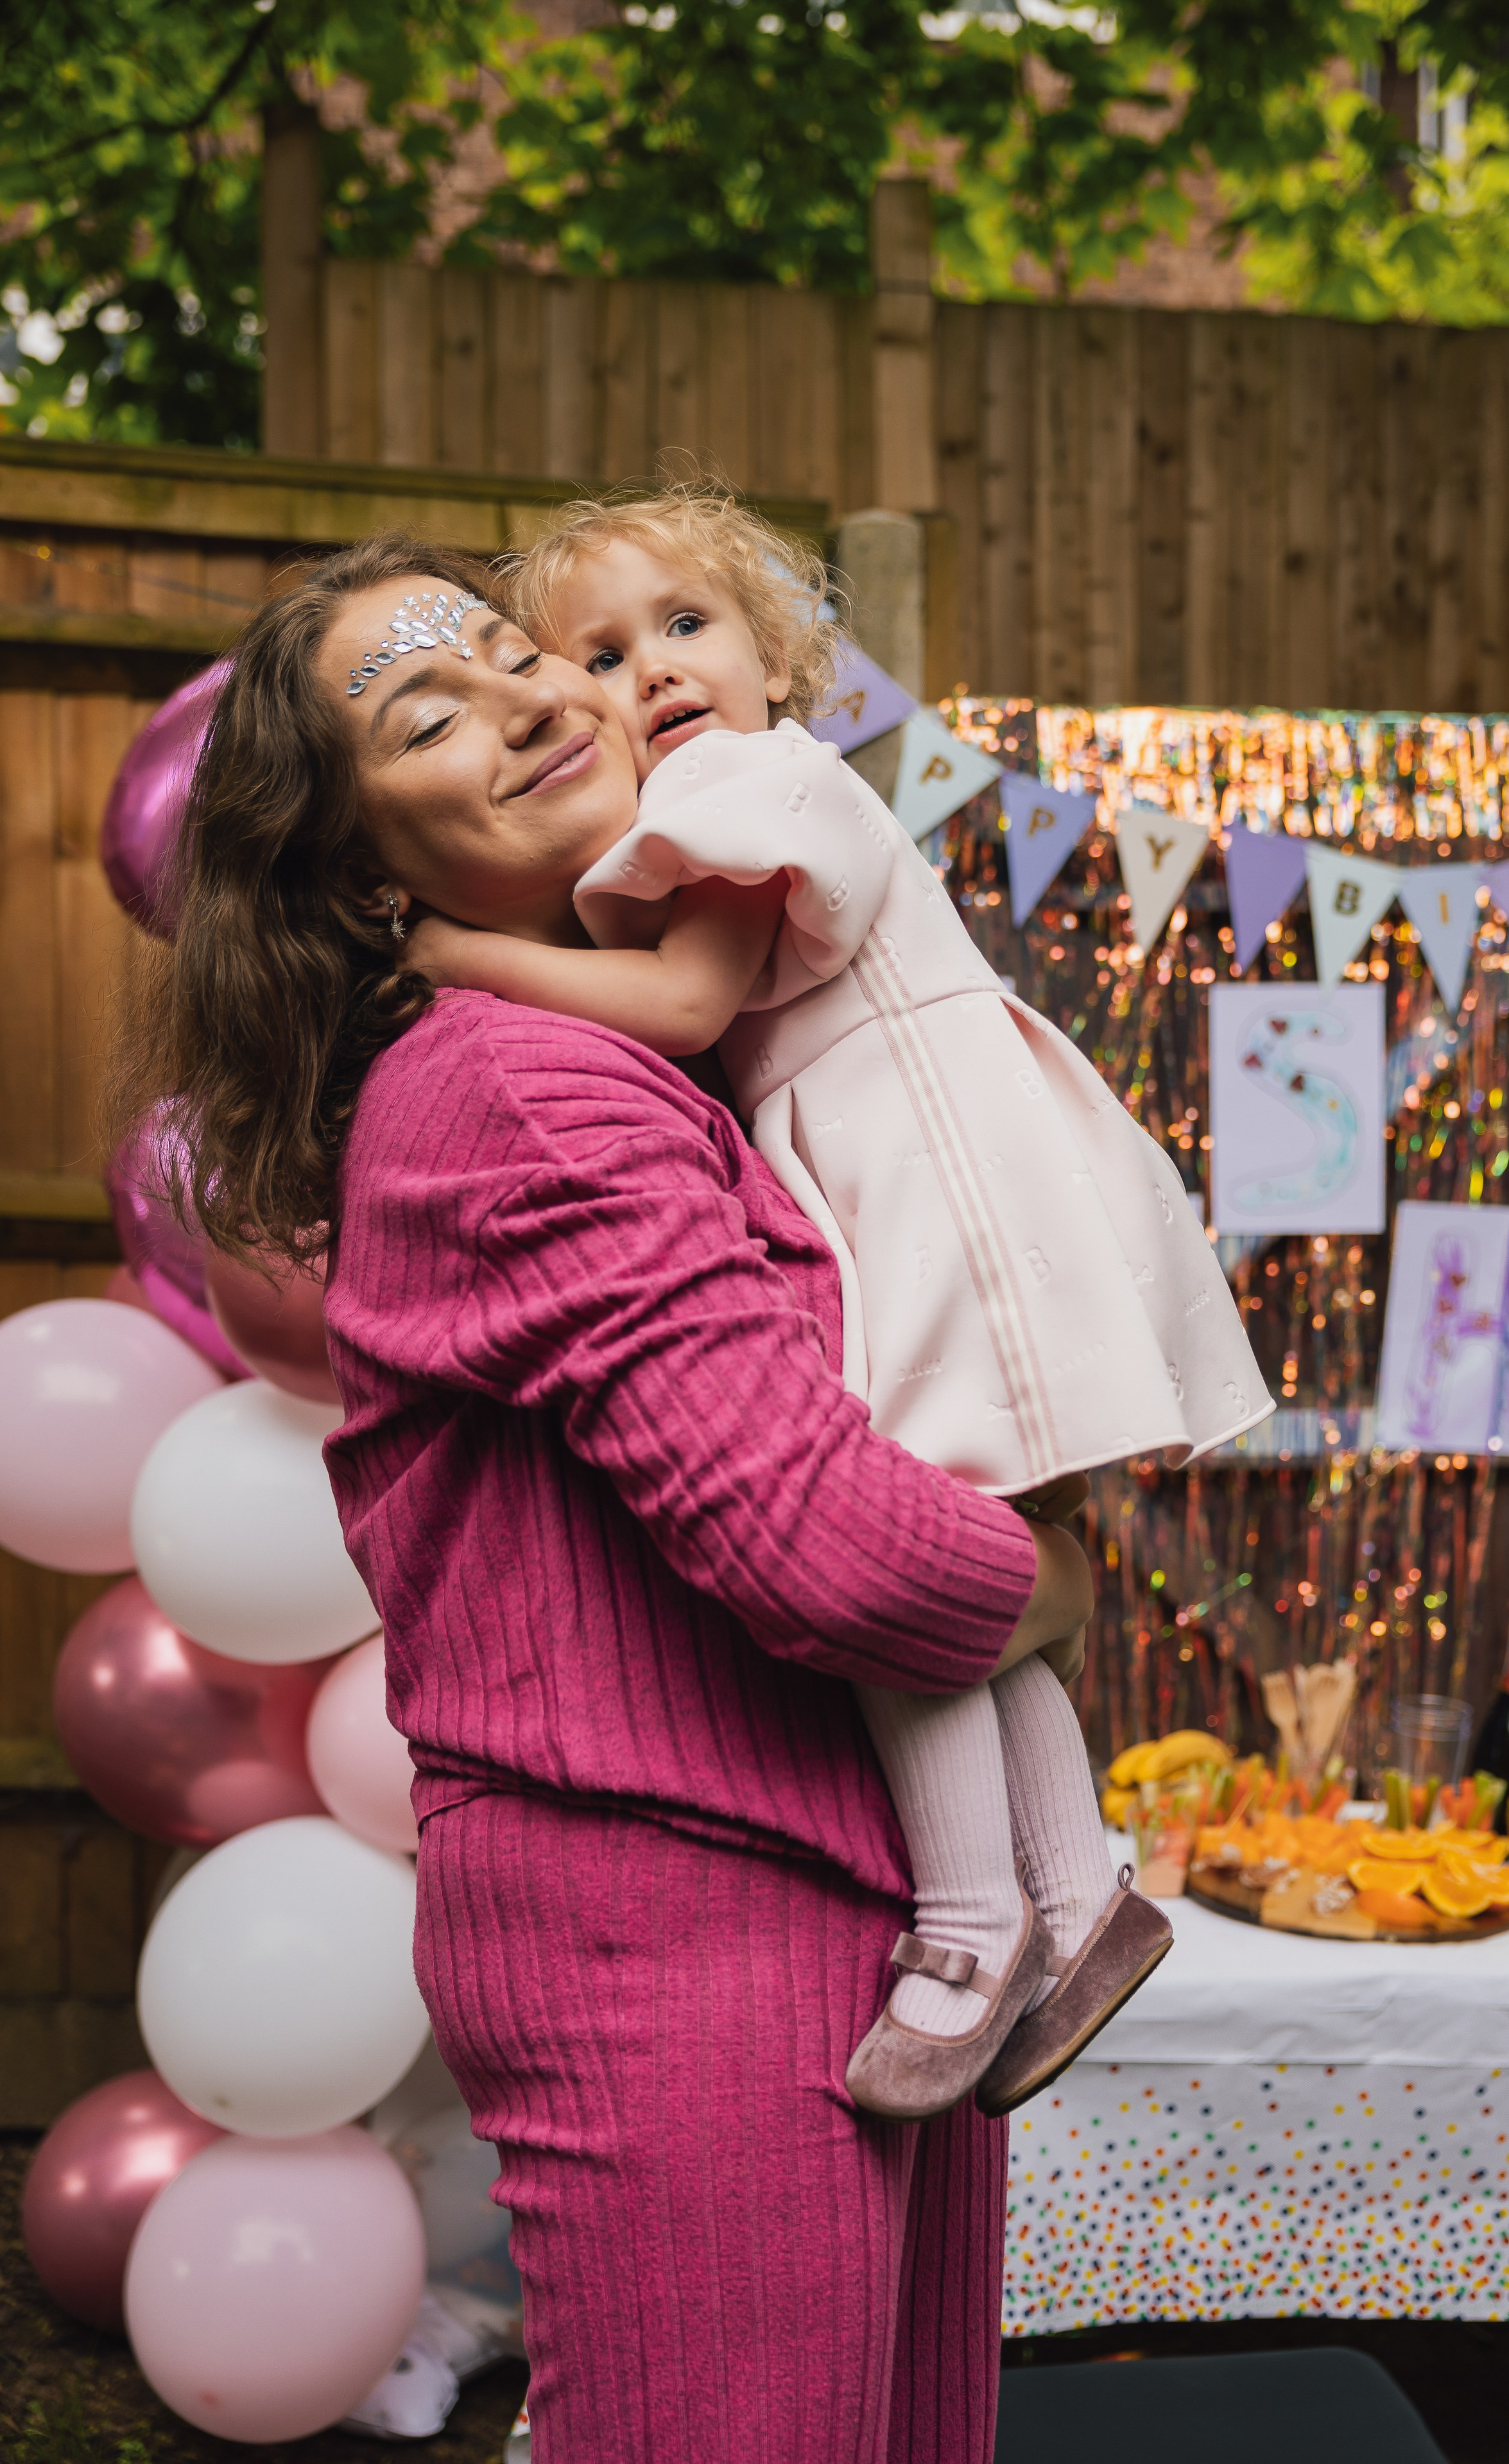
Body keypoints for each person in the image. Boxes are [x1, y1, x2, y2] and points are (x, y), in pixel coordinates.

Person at [114, 531, 1098, 2464]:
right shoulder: (513, 1093)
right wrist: (1054, 1579)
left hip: (844, 1905)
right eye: (428, 714)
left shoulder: (661, 1048)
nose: (530, 700)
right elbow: (831, 1546)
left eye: (510, 654)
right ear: (356, 873)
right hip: (686, 1934)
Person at [397, 486, 1274, 2121]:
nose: (652, 669)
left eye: (686, 625)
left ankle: (971, 1919)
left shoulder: (750, 778)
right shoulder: (732, 796)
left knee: (897, 1563)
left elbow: (677, 1003)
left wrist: (460, 953)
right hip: (892, 1171)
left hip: (923, 1178)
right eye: (599, 652)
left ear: (772, 653)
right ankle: (1071, 1895)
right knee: (951, 1539)